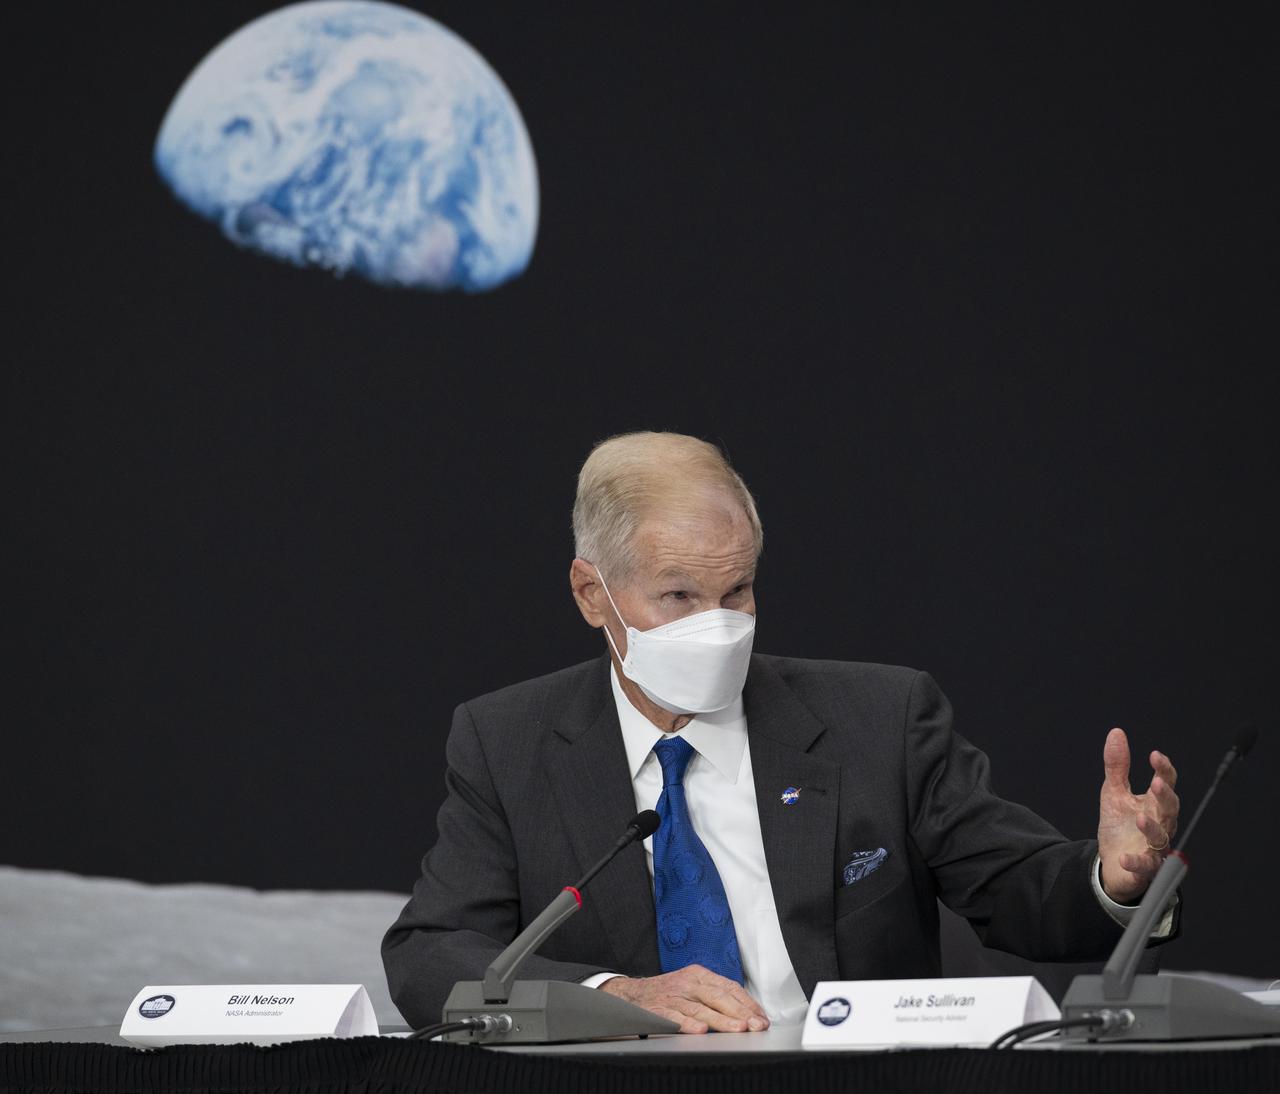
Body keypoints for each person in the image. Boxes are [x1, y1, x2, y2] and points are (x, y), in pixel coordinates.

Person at [382, 431, 1181, 1033]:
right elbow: (430, 954)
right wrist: (614, 996)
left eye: (739, 591)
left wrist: (1113, 879)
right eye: (680, 597)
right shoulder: (507, 740)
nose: (720, 625)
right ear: (594, 595)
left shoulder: (881, 718)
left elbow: (1019, 894)